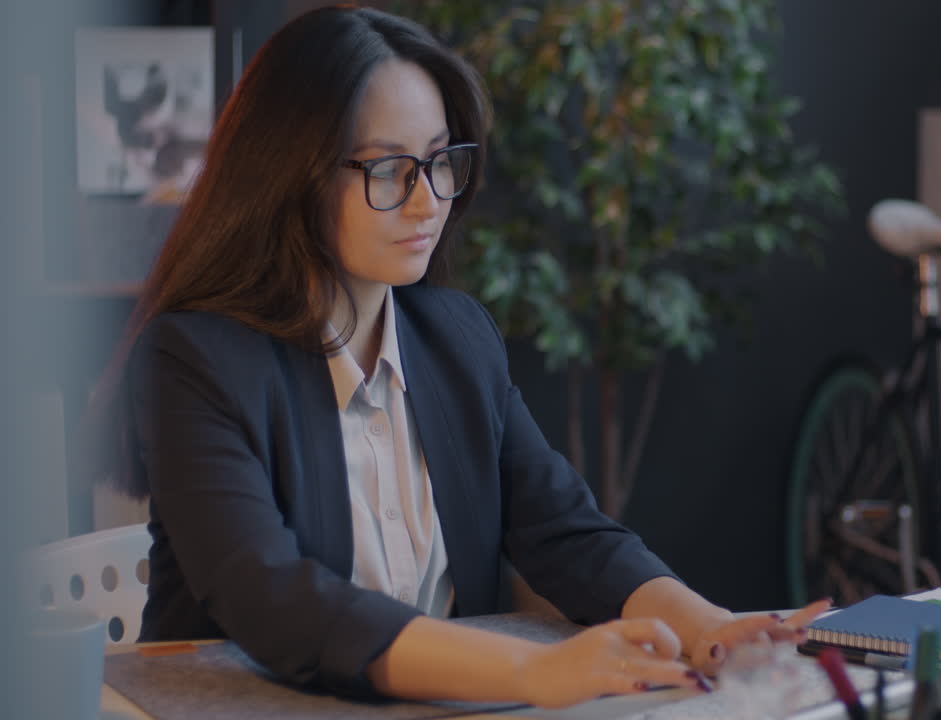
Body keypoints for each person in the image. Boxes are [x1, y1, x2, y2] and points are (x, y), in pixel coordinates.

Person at [83, 5, 827, 709]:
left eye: (440, 162)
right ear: (290, 176)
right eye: (387, 169)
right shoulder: (195, 360)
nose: (428, 201)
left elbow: (566, 532)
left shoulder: (456, 339)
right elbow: (271, 595)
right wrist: (536, 671)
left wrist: (707, 628)